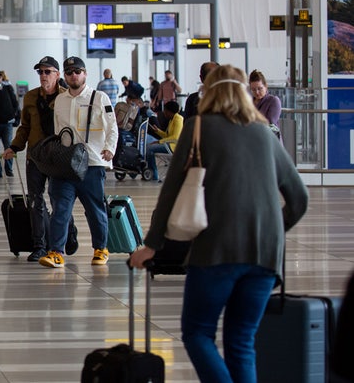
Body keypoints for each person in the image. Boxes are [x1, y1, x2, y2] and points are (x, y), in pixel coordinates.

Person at [131, 65, 308, 383]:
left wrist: (151, 245)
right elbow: (299, 198)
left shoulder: (198, 127)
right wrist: (272, 231)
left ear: (208, 92)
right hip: (265, 258)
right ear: (243, 92)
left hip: (216, 252)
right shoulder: (265, 132)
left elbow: (171, 190)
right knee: (241, 343)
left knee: (198, 334)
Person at [38, 57, 118, 269]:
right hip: (65, 165)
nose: (74, 75)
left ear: (85, 73)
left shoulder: (99, 98)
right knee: (61, 209)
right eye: (70, 72)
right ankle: (56, 252)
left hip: (92, 163)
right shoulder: (61, 101)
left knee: (95, 209)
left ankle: (101, 249)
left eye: (78, 71)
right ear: (64, 76)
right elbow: (58, 131)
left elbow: (112, 127)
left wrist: (110, 148)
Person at [2, 56, 65, 262]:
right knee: (35, 200)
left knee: (59, 201)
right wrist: (14, 146)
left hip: (59, 157)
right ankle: (39, 245)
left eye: (48, 72)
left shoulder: (67, 97)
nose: (43, 76)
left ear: (57, 74)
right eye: (40, 72)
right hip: (35, 156)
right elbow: (25, 127)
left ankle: (59, 243)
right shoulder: (30, 97)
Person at [145, 100, 183, 181]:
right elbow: (168, 136)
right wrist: (157, 131)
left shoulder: (178, 119)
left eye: (165, 111)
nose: (164, 113)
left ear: (169, 111)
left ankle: (153, 174)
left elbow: (175, 137)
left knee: (149, 148)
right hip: (168, 144)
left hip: (173, 147)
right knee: (148, 147)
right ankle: (152, 173)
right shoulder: (172, 120)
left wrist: (159, 142)